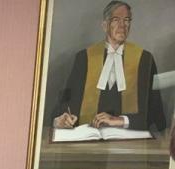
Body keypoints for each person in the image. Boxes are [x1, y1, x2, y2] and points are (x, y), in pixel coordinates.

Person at [53, 2, 166, 133]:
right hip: (88, 139)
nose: (122, 25)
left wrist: (121, 120)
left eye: (127, 20)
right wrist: (61, 118)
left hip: (131, 143)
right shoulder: (84, 58)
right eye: (116, 20)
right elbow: (66, 103)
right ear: (105, 25)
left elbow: (157, 115)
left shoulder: (145, 59)